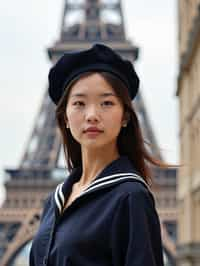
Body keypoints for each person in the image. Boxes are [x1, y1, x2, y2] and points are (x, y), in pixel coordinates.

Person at [29, 43, 172, 266]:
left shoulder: (131, 197)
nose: (92, 115)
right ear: (65, 117)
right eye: (79, 103)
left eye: (106, 103)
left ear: (125, 116)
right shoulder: (54, 201)